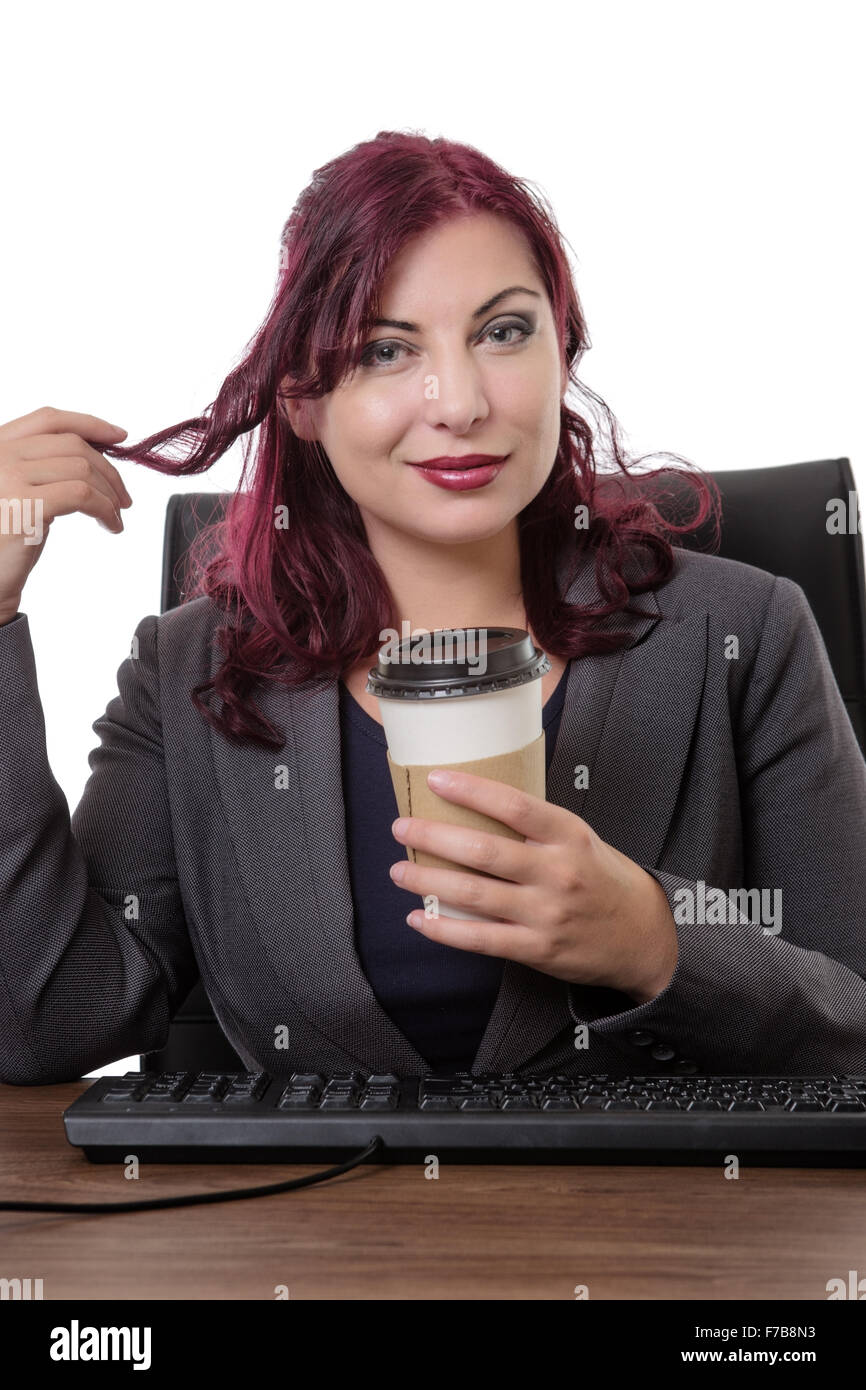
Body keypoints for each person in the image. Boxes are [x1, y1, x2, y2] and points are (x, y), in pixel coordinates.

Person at [1, 131, 865, 1086]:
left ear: (562, 351)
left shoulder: (743, 636)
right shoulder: (192, 673)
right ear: (299, 397)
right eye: (384, 349)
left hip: (661, 1229)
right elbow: (44, 1023)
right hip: (305, 1232)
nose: (457, 403)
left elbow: (858, 1021)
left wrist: (654, 942)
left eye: (503, 332)